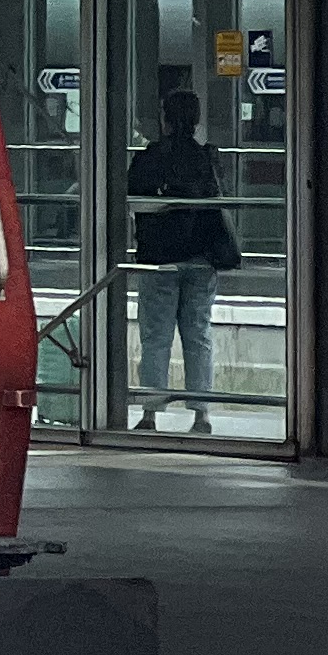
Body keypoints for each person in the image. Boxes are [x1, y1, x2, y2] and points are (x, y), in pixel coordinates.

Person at [125, 86, 236, 435]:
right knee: (198, 334)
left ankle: (150, 414)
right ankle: (201, 414)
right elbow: (221, 200)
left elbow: (132, 201)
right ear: (196, 119)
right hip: (202, 257)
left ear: (166, 119)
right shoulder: (207, 158)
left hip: (159, 258)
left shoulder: (149, 158)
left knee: (156, 336)